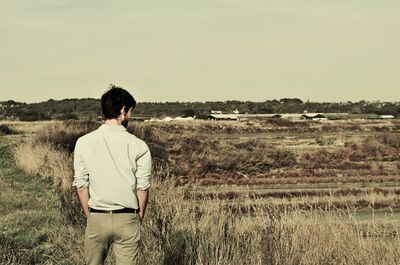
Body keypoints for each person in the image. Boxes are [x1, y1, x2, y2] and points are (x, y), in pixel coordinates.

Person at [72, 85, 152, 265]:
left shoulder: (84, 142)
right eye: (130, 111)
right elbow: (142, 188)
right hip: (127, 217)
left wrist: (90, 215)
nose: (130, 116)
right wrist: (137, 219)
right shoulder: (139, 146)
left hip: (97, 216)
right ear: (123, 111)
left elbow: (81, 185)